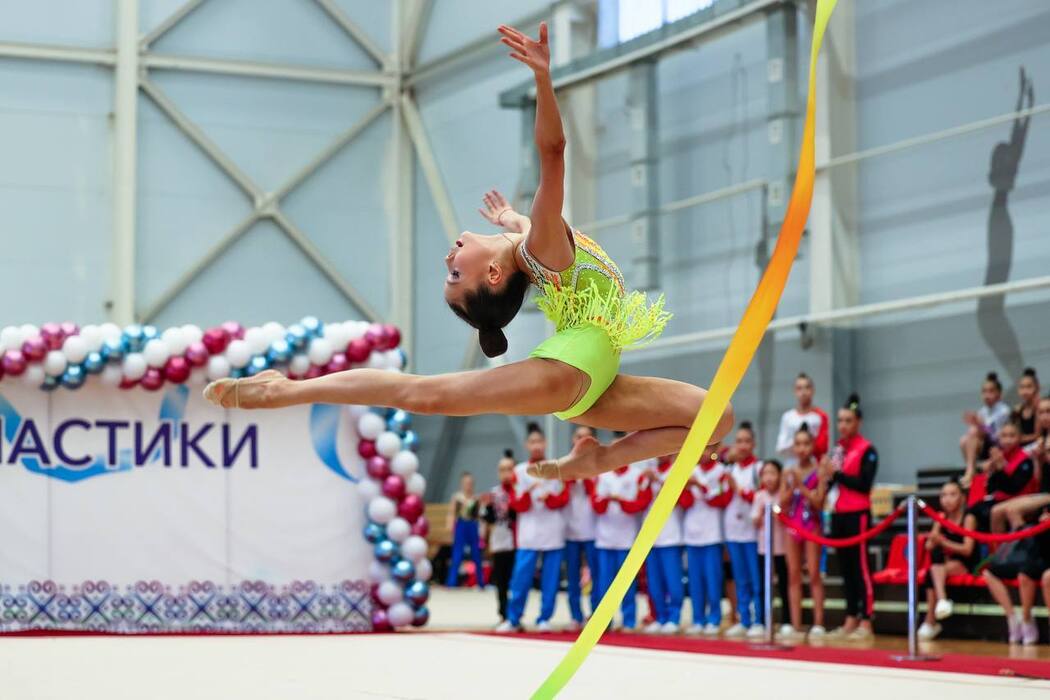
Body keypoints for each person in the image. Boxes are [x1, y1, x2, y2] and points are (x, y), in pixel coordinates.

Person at [201, 22, 735, 483]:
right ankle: (284, 391)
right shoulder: (543, 248)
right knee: (427, 396)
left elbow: (525, 228)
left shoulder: (530, 243)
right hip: (574, 367)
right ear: (495, 275)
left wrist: (509, 218)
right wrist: (542, 79)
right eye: (456, 275)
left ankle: (598, 460)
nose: (448, 260)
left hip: (595, 380)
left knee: (719, 419)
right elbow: (553, 153)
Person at [500, 423, 569, 633]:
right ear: (527, 445)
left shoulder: (557, 468)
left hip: (553, 531)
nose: (537, 445)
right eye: (532, 442)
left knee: (550, 579)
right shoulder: (519, 472)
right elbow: (516, 504)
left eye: (540, 441)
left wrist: (550, 498)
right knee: (520, 578)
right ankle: (513, 618)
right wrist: (529, 492)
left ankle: (544, 618)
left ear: (545, 443)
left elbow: (563, 499)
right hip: (528, 534)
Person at [826, 393, 878, 641]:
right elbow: (829, 481)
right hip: (839, 514)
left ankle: (866, 619)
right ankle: (850, 617)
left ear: (858, 422)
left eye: (848, 420)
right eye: (840, 420)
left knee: (861, 568)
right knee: (845, 568)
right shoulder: (838, 450)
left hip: (859, 513)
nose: (843, 425)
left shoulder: (867, 449)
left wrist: (837, 475)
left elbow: (864, 484)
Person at [592, 459, 652, 631]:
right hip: (605, 540)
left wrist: (620, 501)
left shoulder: (637, 475)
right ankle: (603, 621)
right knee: (604, 584)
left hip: (627, 540)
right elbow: (596, 505)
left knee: (627, 584)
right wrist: (607, 500)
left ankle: (629, 620)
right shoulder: (603, 476)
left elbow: (641, 504)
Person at [781, 424, 827, 637]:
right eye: (798, 444)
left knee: (814, 573)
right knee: (793, 575)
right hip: (793, 525)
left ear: (812, 445)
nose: (802, 448)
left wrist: (801, 487)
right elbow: (782, 503)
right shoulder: (788, 472)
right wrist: (792, 487)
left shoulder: (819, 471)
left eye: (806, 444)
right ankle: (796, 624)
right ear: (793, 447)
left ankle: (818, 623)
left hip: (812, 526)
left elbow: (819, 503)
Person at [917, 480, 977, 640]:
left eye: (952, 495)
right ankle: (942, 601)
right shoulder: (941, 517)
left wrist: (943, 542)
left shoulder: (968, 518)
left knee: (932, 573)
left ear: (962, 498)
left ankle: (931, 620)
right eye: (943, 495)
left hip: (965, 562)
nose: (947, 499)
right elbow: (929, 546)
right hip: (944, 563)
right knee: (934, 566)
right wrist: (934, 538)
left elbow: (967, 549)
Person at [982, 507, 1050, 646]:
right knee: (990, 572)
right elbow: (1012, 510)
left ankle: (1026, 618)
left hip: (1040, 560)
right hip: (1028, 554)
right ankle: (1013, 618)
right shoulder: (1036, 511)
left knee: (1028, 574)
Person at [684, 444, 731, 636]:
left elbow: (719, 500)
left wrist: (699, 486)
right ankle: (698, 619)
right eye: (700, 449)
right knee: (695, 581)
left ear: (714, 450)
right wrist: (687, 488)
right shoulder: (691, 471)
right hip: (692, 534)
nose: (703, 453)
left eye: (707, 449)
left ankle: (714, 618)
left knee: (713, 580)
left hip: (712, 534)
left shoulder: (721, 472)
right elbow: (684, 502)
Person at [722, 422, 763, 638]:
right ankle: (744, 618)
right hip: (733, 531)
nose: (743, 445)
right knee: (739, 577)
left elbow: (760, 497)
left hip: (752, 533)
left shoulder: (758, 468)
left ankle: (759, 620)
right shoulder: (730, 469)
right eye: (739, 441)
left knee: (755, 578)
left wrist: (738, 489)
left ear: (754, 444)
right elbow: (722, 498)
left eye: (747, 441)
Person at [642, 455, 692, 634]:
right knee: (654, 582)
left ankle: (674, 617)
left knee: (673, 581)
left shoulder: (678, 471)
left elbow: (686, 501)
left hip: (671, 536)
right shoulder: (648, 473)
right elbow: (641, 502)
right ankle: (660, 616)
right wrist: (648, 483)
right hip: (651, 537)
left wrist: (659, 481)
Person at [990, 396, 1050, 533]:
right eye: (1041, 412)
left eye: (1048, 411)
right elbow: (1038, 479)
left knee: (1013, 510)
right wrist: (1037, 460)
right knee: (996, 511)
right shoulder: (1041, 440)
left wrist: (1046, 456)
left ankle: (1023, 546)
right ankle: (1000, 548)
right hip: (1044, 491)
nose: (1045, 416)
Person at [968, 421, 1037, 533]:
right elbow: (991, 488)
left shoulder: (1025, 460)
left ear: (1020, 438)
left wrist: (1000, 468)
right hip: (1001, 498)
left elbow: (1013, 488)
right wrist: (991, 471)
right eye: (1004, 436)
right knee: (972, 511)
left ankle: (1001, 544)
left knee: (993, 512)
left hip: (1021, 499)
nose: (1007, 440)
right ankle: (972, 543)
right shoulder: (1000, 456)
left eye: (1012, 436)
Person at [564, 425, 601, 631]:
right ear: (572, 439)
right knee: (572, 578)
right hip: (570, 532)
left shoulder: (601, 465)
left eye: (586, 437)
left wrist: (585, 475)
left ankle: (596, 615)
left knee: (597, 576)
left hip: (593, 532)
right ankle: (575, 616)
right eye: (578, 436)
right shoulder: (564, 465)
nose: (581, 441)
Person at [752, 460, 791, 636]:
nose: (768, 478)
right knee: (763, 585)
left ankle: (786, 620)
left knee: (783, 585)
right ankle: (761, 620)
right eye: (765, 474)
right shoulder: (760, 496)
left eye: (773, 473)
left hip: (782, 548)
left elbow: (787, 516)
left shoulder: (784, 495)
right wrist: (761, 514)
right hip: (763, 549)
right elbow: (754, 520)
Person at [482, 450, 518, 623]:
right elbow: (489, 520)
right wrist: (488, 507)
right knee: (501, 581)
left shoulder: (519, 491)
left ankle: (516, 614)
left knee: (516, 580)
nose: (506, 474)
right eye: (502, 470)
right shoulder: (494, 493)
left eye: (509, 469)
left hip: (518, 542)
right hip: (500, 542)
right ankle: (503, 614)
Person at [959, 372, 1011, 487]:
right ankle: (971, 469)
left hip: (998, 447)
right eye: (984, 391)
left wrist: (979, 425)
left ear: (999, 393)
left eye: (991, 391)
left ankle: (971, 471)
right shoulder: (983, 411)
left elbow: (997, 437)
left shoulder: (1004, 411)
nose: (987, 395)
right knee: (964, 439)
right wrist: (976, 424)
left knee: (973, 431)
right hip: (986, 446)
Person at [775, 373, 829, 463]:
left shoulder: (820, 416)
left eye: (807, 387)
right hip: (792, 464)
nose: (803, 392)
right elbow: (780, 447)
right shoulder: (787, 417)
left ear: (813, 390)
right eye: (799, 388)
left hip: (813, 465)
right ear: (794, 391)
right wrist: (800, 443)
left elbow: (823, 448)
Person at [445, 472, 485, 588]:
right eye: (466, 483)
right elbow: (452, 512)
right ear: (462, 484)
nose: (468, 485)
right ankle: (451, 582)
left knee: (476, 554)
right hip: (461, 525)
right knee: (457, 554)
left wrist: (482, 530)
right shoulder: (457, 497)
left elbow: (480, 516)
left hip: (473, 525)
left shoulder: (476, 498)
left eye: (470, 483)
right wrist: (450, 525)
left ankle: (481, 582)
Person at [1013, 368, 1041, 446]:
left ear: (1036, 388)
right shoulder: (1019, 409)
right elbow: (1016, 431)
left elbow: (1037, 435)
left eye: (1029, 387)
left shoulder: (1039, 408)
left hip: (1036, 446)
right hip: (1022, 446)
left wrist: (1017, 439)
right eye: (1022, 387)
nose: (1025, 391)